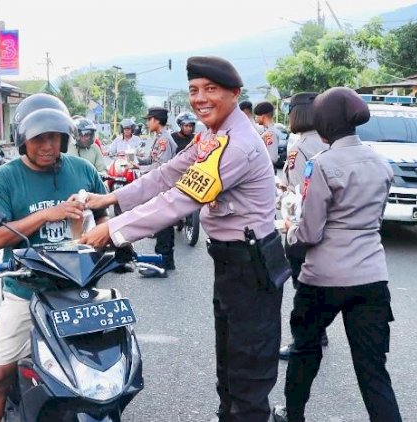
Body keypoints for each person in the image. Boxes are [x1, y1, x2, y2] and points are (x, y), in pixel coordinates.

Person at [78, 56, 283, 421]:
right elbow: (169, 172)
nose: (200, 98)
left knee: (248, 377)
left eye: (211, 89)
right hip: (230, 261)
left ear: (235, 94)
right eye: (193, 90)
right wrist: (112, 199)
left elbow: (181, 198)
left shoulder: (237, 145)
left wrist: (112, 229)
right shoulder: (211, 133)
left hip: (251, 266)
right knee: (229, 371)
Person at [0, 93, 109, 422]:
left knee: (105, 369)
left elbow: (105, 215)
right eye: (40, 138)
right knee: (0, 375)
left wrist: (106, 238)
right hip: (27, 291)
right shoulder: (5, 178)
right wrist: (47, 214)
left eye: (56, 137)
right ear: (23, 139)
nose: (48, 146)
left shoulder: (82, 170)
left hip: (77, 289)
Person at [271, 87, 401, 422]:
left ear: (325, 124)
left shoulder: (322, 165)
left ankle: (293, 414)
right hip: (372, 277)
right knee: (373, 370)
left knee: (306, 352)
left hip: (323, 279)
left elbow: (311, 231)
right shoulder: (381, 164)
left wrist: (289, 229)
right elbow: (375, 220)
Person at [277, 92, 329, 360]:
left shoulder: (299, 146)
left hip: (302, 224)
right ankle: (318, 332)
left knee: (302, 281)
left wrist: (291, 226)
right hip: (328, 223)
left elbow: (300, 194)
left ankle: (305, 339)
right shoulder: (327, 141)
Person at [137, 106, 179, 277]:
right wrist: (138, 162)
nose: (148, 123)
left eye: (149, 119)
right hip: (159, 185)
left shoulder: (164, 140)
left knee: (164, 226)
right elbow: (153, 159)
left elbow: (162, 167)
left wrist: (144, 170)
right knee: (162, 225)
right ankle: (165, 261)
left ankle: (164, 264)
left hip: (163, 186)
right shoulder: (160, 138)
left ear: (156, 120)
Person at [255, 101, 280, 165]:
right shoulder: (266, 130)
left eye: (257, 115)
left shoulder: (270, 133)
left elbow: (273, 158)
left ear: (263, 117)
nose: (255, 118)